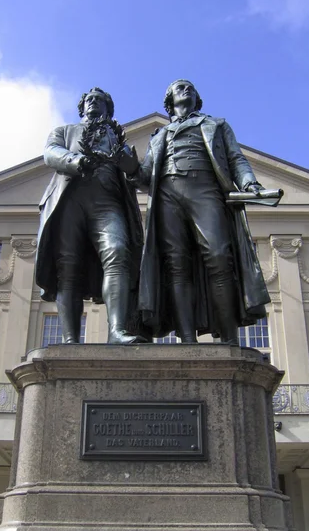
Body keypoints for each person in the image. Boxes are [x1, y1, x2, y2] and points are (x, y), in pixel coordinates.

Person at [133, 79, 270, 343]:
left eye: (191, 88)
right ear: (169, 100)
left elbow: (235, 158)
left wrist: (250, 183)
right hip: (167, 196)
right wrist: (129, 167)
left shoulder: (215, 125)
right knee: (176, 265)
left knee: (219, 256)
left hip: (205, 189)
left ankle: (229, 338)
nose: (186, 89)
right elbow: (144, 177)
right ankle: (187, 339)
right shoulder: (159, 136)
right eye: (180, 87)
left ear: (197, 98)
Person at [35, 87, 145, 344]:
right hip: (70, 198)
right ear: (82, 107)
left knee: (118, 252)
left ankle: (117, 332)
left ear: (108, 108)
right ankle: (71, 339)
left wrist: (127, 162)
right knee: (68, 267)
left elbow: (136, 174)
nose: (93, 103)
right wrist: (75, 160)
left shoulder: (118, 138)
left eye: (100, 100)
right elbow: (51, 152)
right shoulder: (64, 131)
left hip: (108, 200)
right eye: (89, 100)